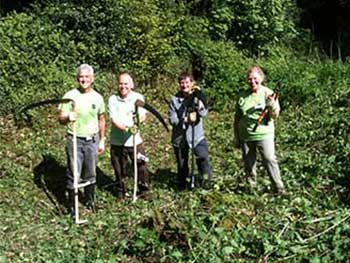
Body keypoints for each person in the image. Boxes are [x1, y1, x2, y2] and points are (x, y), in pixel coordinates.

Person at [58, 64, 106, 215]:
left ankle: (90, 200)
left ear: (92, 79)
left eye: (87, 77)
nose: (83, 79)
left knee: (91, 171)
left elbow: (102, 119)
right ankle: (73, 206)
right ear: (77, 78)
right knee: (74, 172)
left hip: (92, 139)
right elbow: (61, 119)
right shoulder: (69, 96)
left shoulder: (98, 97)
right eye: (81, 77)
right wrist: (67, 117)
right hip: (75, 140)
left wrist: (102, 139)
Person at [234, 66, 285, 194]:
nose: (252, 82)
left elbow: (275, 115)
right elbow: (237, 117)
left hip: (264, 134)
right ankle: (251, 188)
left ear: (261, 79)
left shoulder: (268, 93)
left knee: (269, 159)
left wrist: (272, 105)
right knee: (249, 163)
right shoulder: (242, 96)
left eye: (255, 79)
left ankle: (278, 188)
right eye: (250, 79)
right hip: (246, 134)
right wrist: (236, 136)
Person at [108, 72, 149, 200]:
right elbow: (114, 120)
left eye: (126, 83)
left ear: (131, 84)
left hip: (135, 141)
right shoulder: (113, 99)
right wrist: (127, 129)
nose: (123, 86)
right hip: (117, 141)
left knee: (141, 165)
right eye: (120, 83)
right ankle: (121, 192)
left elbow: (143, 115)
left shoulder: (138, 97)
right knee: (119, 168)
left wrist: (138, 121)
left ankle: (144, 191)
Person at [168, 72, 212, 190]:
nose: (184, 85)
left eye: (187, 82)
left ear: (192, 83)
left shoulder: (197, 96)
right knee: (182, 164)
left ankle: (206, 181)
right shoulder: (175, 100)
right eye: (182, 83)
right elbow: (172, 119)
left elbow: (204, 113)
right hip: (180, 138)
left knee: (203, 158)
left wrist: (199, 106)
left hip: (197, 136)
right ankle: (182, 186)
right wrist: (185, 120)